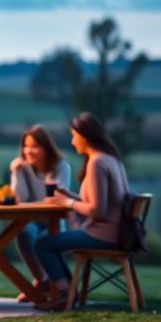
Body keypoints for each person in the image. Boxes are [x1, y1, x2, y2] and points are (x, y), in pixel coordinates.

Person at [34, 112, 131, 311]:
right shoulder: (111, 158)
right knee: (52, 241)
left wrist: (68, 202)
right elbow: (101, 203)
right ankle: (68, 292)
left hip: (104, 235)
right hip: (116, 232)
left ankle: (64, 294)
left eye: (74, 135)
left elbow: (97, 211)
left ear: (84, 136)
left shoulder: (97, 163)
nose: (72, 141)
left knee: (43, 244)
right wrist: (70, 196)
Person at [9, 125, 72, 301]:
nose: (28, 151)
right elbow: (21, 200)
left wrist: (37, 202)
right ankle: (41, 281)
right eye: (26, 146)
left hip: (54, 221)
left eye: (35, 146)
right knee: (23, 233)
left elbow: (56, 199)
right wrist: (16, 173)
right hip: (33, 221)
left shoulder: (61, 166)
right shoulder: (24, 167)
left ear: (46, 148)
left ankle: (49, 287)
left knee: (43, 240)